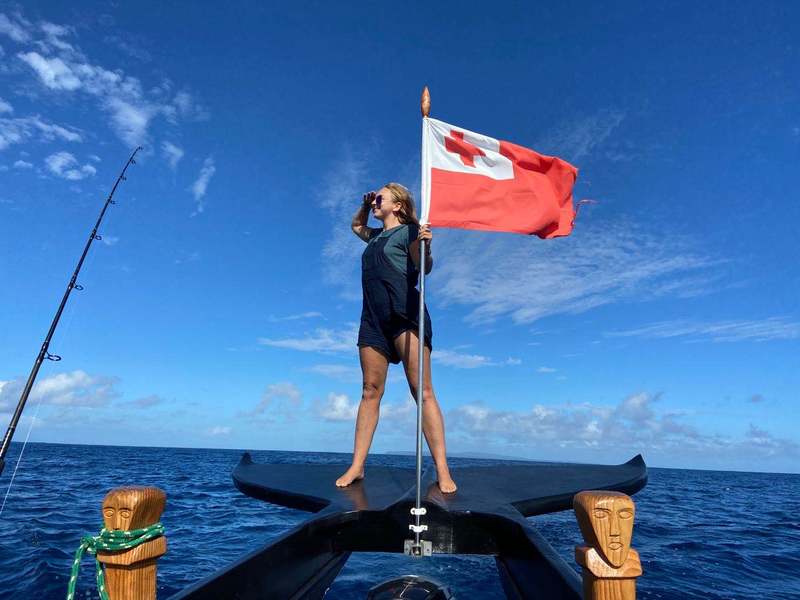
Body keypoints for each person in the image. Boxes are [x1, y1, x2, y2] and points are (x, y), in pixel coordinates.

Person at [335, 183, 457, 493]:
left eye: (380, 198)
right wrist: (365, 205)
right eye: (374, 198)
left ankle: (443, 470)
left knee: (422, 391)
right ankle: (358, 465)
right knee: (369, 391)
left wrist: (426, 246)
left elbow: (423, 266)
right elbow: (357, 226)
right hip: (373, 321)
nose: (375, 201)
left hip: (406, 316)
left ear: (398, 205)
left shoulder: (411, 231)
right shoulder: (375, 236)